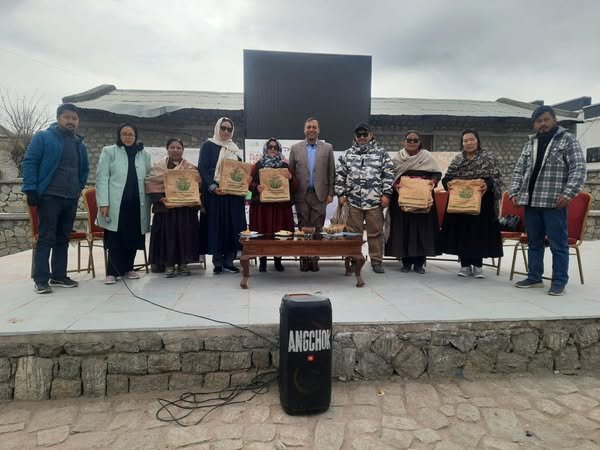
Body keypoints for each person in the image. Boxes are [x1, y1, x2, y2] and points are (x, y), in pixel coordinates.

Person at [509, 105, 586, 296]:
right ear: (534, 124)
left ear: (554, 121)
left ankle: (559, 281)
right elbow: (519, 170)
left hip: (553, 202)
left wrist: (568, 194)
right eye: (538, 121)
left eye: (546, 120)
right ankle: (534, 277)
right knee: (534, 242)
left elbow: (578, 169)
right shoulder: (530, 144)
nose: (542, 124)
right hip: (531, 201)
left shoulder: (567, 140)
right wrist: (514, 192)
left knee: (558, 243)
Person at [21, 103, 89, 293]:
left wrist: (78, 187)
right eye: (67, 117)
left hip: (71, 197)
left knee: (63, 238)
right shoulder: (43, 138)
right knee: (46, 237)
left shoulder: (79, 143)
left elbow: (84, 170)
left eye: (74, 118)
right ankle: (41, 279)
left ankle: (59, 276)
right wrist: (31, 189)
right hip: (50, 196)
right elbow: (30, 162)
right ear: (59, 118)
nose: (71, 121)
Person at [439, 129, 503, 278]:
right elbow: (447, 177)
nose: (468, 143)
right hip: (460, 203)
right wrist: (448, 183)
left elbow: (496, 179)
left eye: (471, 139)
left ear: (477, 141)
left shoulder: (488, 158)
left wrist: (487, 184)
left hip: (481, 203)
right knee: (463, 233)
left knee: (478, 233)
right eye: (465, 140)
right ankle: (465, 265)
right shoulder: (458, 160)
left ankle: (478, 265)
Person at [96, 123, 151, 284]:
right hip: (115, 204)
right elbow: (102, 178)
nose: (127, 137)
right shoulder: (109, 151)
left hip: (137, 203)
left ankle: (128, 268)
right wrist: (103, 203)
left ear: (136, 136)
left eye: (130, 134)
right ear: (119, 135)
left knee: (133, 236)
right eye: (124, 134)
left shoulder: (144, 154)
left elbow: (150, 176)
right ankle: (112, 272)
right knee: (115, 238)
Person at [336, 123, 394, 273]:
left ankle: (376, 261)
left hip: (374, 201)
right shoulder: (347, 154)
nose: (362, 137)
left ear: (371, 135)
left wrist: (386, 194)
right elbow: (339, 175)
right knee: (353, 234)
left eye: (365, 134)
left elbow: (388, 175)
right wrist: (341, 194)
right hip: (353, 201)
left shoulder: (381, 153)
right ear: (355, 137)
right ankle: (355, 259)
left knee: (375, 233)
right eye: (359, 135)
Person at [385, 130, 442, 274]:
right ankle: (405, 262)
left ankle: (419, 263)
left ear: (419, 142)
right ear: (404, 141)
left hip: (423, 199)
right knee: (403, 229)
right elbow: (390, 175)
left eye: (415, 140)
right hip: (402, 198)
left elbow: (436, 173)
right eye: (409, 140)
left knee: (421, 230)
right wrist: (396, 184)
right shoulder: (398, 158)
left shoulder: (426, 156)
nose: (411, 142)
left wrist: (432, 182)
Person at [146, 138, 202, 278]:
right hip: (166, 209)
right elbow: (151, 183)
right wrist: (160, 198)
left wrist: (198, 182)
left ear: (183, 150)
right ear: (167, 148)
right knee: (168, 237)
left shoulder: (190, 168)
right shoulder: (159, 167)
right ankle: (168, 264)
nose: (175, 150)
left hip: (185, 209)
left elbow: (198, 187)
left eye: (178, 148)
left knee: (184, 237)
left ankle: (183, 264)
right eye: (172, 147)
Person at [198, 117, 247, 274]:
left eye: (229, 129)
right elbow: (203, 168)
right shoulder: (208, 145)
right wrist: (212, 187)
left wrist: (245, 181)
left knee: (232, 227)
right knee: (216, 227)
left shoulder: (235, 149)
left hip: (233, 197)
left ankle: (229, 261)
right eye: (223, 128)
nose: (226, 131)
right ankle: (218, 262)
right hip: (215, 196)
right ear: (217, 128)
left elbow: (239, 171)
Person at [288, 118, 335, 272]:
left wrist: (330, 193)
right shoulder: (295, 148)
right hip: (301, 194)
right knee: (302, 228)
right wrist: (291, 195)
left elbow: (331, 173)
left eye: (314, 127)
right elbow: (291, 174)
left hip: (319, 195)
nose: (311, 130)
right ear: (304, 130)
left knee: (317, 228)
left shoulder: (328, 148)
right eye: (309, 127)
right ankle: (304, 260)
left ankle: (314, 259)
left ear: (318, 130)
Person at [249, 138, 295, 272]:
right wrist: (256, 187)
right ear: (266, 148)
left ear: (279, 150)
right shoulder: (258, 165)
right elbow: (249, 183)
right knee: (263, 233)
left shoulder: (285, 166)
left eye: (275, 147)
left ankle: (278, 261)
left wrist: (291, 177)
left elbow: (294, 185)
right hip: (262, 208)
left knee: (279, 233)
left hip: (280, 207)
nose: (273, 149)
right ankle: (262, 261)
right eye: (270, 147)